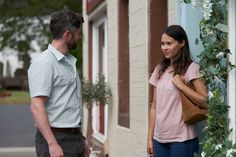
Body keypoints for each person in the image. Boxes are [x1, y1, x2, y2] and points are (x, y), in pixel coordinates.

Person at [28, 9, 86, 157]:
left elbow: (69, 104)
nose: (80, 37)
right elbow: (36, 106)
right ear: (67, 35)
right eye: (78, 33)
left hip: (74, 137)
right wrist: (52, 145)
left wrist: (81, 140)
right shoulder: (44, 63)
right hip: (56, 139)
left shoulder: (68, 63)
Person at [146, 25, 208, 157]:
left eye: (169, 43)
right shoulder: (159, 69)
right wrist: (149, 139)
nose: (164, 48)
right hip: (159, 139)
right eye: (162, 44)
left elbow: (205, 101)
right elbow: (154, 107)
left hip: (183, 140)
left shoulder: (192, 68)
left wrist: (181, 85)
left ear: (181, 43)